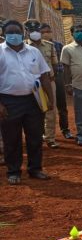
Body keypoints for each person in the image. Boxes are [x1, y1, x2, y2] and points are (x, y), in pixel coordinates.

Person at [0, 19, 53, 184]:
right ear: (3, 34)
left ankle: (35, 169)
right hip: (8, 101)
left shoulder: (34, 52)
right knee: (12, 138)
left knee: (35, 136)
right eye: (10, 32)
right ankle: (13, 171)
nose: (14, 35)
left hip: (33, 100)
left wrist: (50, 99)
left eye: (17, 31)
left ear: (23, 33)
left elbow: (44, 76)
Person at [25, 20, 59, 148]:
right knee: (33, 111)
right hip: (31, 84)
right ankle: (36, 138)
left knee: (51, 110)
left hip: (48, 82)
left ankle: (50, 138)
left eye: (37, 30)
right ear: (27, 32)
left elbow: (55, 65)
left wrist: (51, 78)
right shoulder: (23, 47)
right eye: (31, 31)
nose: (34, 33)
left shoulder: (49, 46)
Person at [41, 23, 72, 140]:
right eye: (43, 32)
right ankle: (45, 132)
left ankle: (65, 129)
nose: (46, 34)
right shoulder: (35, 47)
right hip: (42, 79)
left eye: (48, 31)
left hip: (57, 77)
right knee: (44, 105)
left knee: (61, 105)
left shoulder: (58, 45)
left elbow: (61, 64)